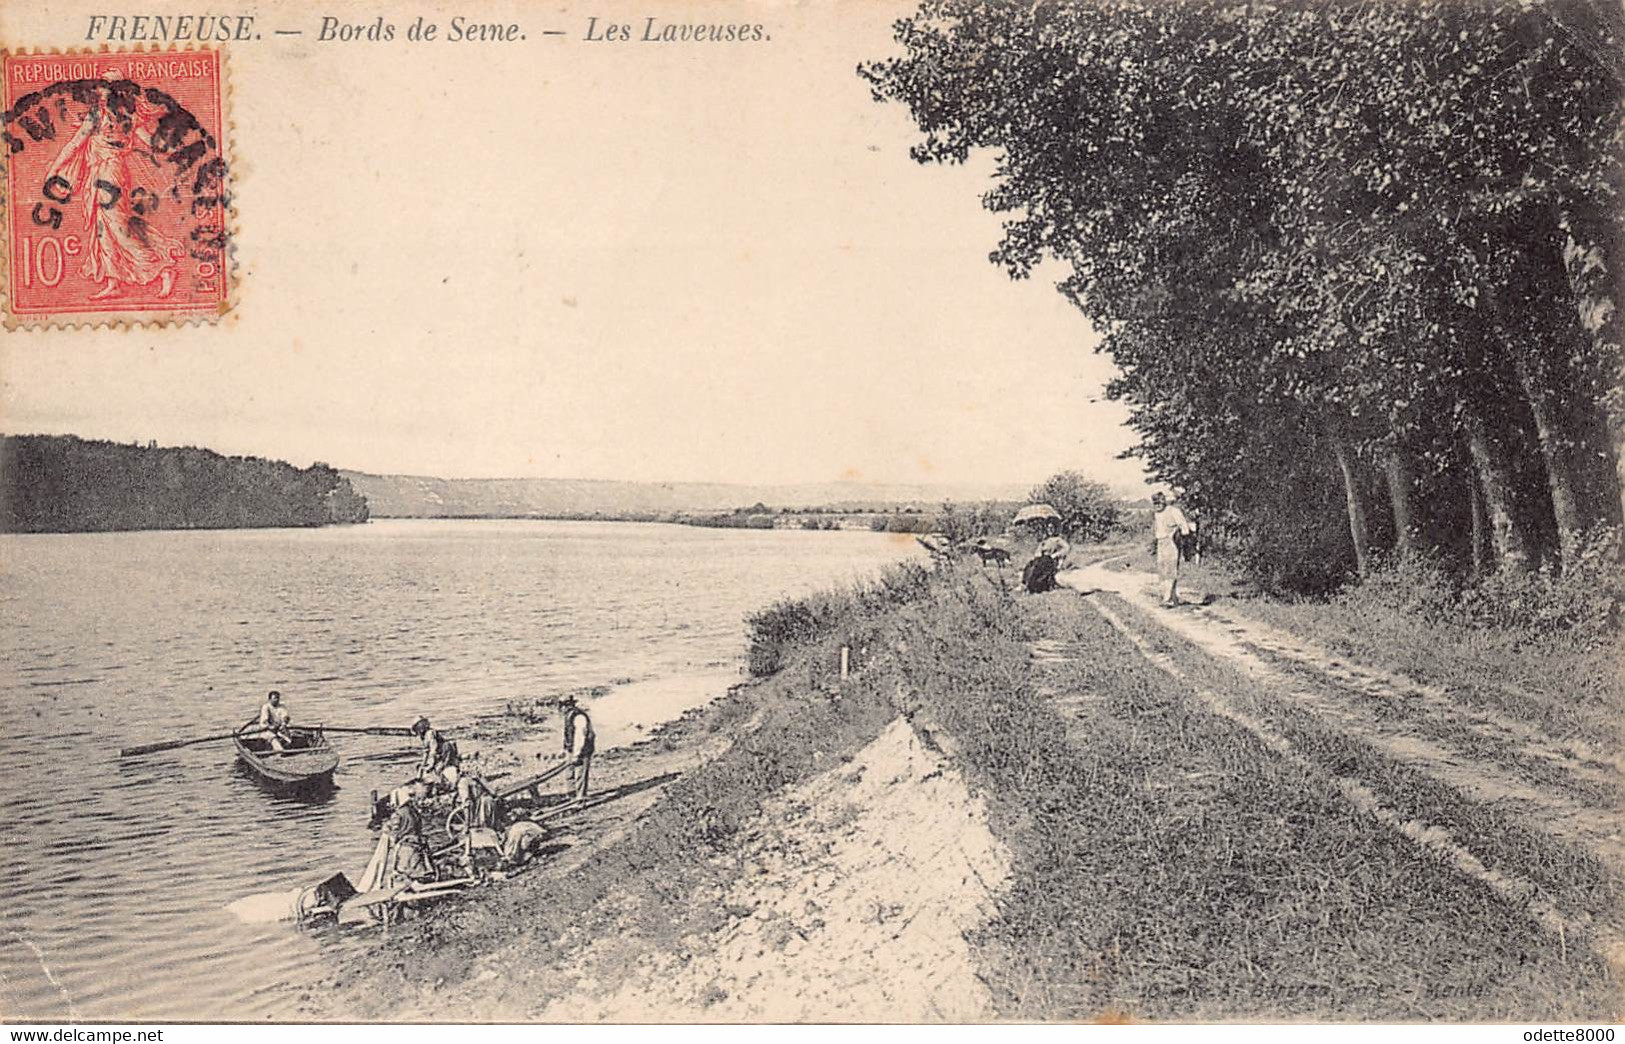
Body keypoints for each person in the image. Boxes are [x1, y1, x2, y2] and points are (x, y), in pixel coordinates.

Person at [1151, 493, 1196, 607]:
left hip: (1172, 542)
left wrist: (1185, 543)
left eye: (1159, 503)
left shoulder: (1173, 511)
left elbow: (1184, 527)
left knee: (1170, 570)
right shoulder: (1156, 514)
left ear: (1164, 501)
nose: (1157, 506)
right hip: (1161, 543)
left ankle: (1167, 599)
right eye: (1155, 503)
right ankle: (1173, 598)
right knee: (1163, 571)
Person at [560, 696, 595, 801]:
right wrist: (564, 749)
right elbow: (568, 735)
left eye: (563, 706)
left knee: (580, 774)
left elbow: (580, 737)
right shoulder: (568, 716)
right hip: (571, 749)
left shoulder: (579, 716)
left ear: (569, 705)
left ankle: (580, 797)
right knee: (569, 773)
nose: (561, 709)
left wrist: (577, 754)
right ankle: (571, 795)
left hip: (583, 750)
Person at [412, 716, 461, 788]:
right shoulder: (423, 737)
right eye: (417, 727)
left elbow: (433, 748)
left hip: (445, 751)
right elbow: (426, 752)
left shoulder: (430, 733)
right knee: (429, 768)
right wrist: (423, 764)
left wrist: (431, 763)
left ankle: (446, 783)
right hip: (438, 753)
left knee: (440, 768)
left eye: (420, 725)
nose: (419, 728)